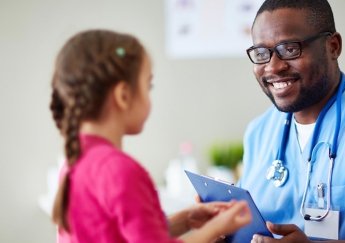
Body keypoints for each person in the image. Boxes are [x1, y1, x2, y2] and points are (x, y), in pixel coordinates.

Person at [49, 29, 252, 243]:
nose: (150, 95)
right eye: (149, 85)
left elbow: (121, 233)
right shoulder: (120, 170)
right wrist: (216, 228)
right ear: (123, 95)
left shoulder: (75, 160)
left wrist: (185, 220)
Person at [239, 0, 345, 242]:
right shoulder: (258, 132)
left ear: (333, 46)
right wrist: (227, 230)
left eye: (289, 49)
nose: (273, 67)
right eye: (261, 53)